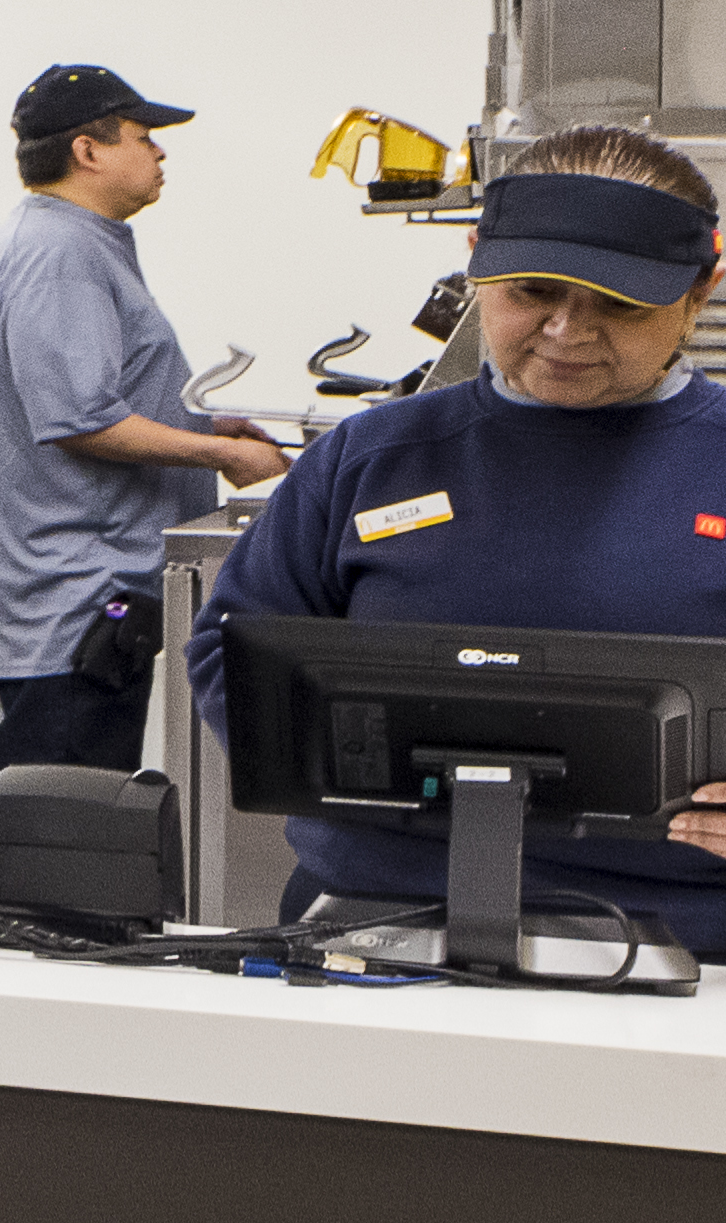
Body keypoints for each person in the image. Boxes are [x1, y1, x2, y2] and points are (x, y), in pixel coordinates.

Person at [192, 128, 726, 942]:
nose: (567, 331)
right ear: (476, 260)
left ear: (701, 291)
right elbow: (232, 648)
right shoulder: (372, 459)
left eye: (619, 302)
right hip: (377, 916)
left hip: (683, 935)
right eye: (532, 291)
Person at [0, 59, 293, 771]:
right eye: (144, 136)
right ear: (88, 151)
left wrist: (205, 425)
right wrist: (224, 457)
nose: (161, 151)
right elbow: (82, 421)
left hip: (87, 592)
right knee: (59, 818)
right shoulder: (59, 255)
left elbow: (94, 398)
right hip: (74, 601)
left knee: (78, 808)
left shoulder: (74, 243)